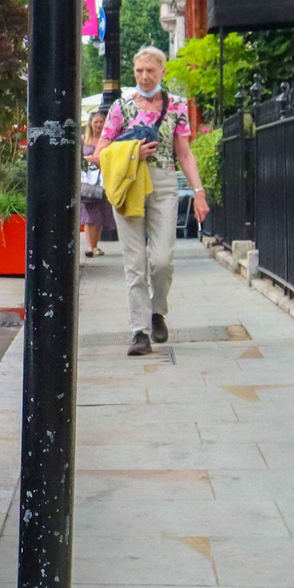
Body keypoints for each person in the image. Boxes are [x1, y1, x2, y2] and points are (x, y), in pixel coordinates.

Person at [99, 45, 210, 356]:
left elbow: (185, 153)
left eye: (150, 71)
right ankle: (139, 331)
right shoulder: (120, 107)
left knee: (161, 260)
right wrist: (133, 152)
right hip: (129, 184)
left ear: (162, 72)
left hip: (162, 184)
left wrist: (198, 192)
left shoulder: (176, 106)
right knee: (134, 263)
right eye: (139, 71)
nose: (144, 77)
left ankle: (156, 309)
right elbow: (99, 153)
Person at [79, 110, 112, 258]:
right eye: (96, 122)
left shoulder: (108, 140)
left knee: (99, 213)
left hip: (103, 179)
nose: (98, 125)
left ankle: (96, 245)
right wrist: (91, 158)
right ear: (90, 124)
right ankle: (90, 246)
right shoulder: (83, 140)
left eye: (101, 122)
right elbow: (78, 158)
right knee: (88, 214)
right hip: (87, 180)